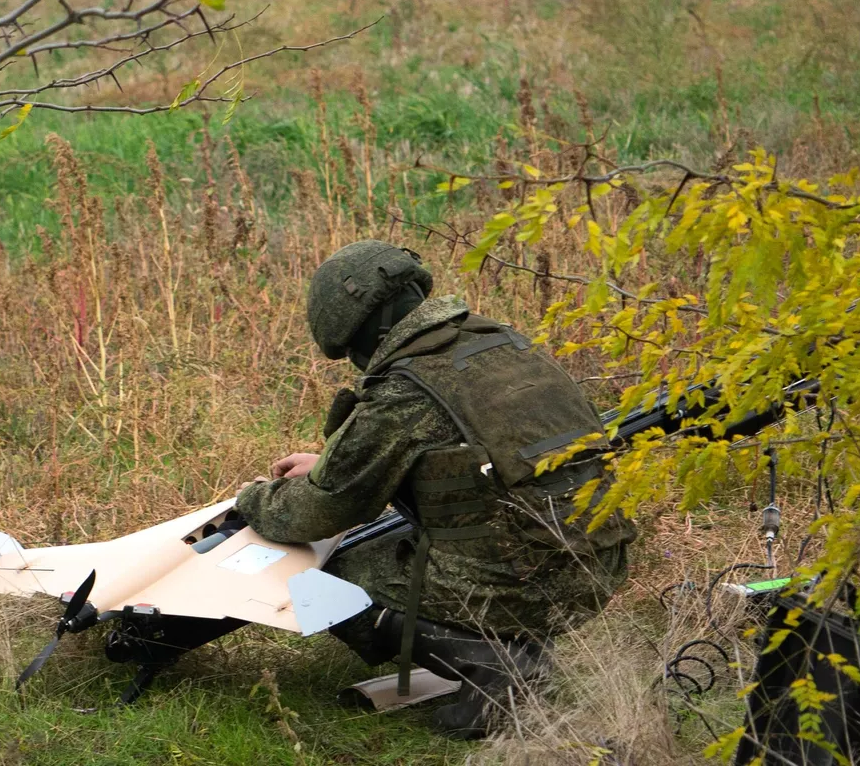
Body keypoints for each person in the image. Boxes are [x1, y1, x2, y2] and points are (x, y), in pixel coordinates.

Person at [234, 240, 637, 739]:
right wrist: (328, 463)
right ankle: (522, 649)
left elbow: (318, 513)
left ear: (355, 333)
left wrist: (252, 498)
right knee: (429, 541)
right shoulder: (502, 343)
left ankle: (496, 669)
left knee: (322, 575)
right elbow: (467, 451)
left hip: (531, 581)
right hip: (598, 564)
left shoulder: (406, 386)